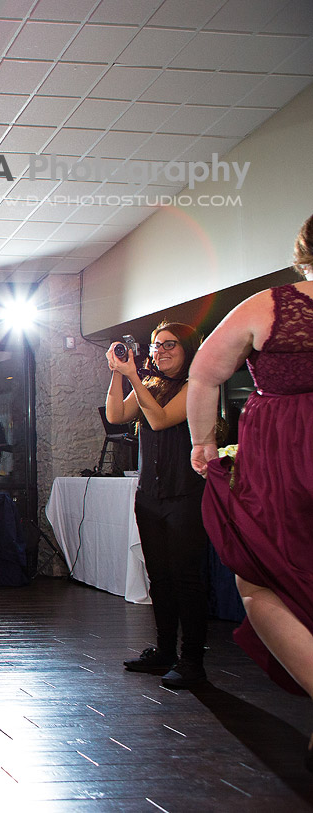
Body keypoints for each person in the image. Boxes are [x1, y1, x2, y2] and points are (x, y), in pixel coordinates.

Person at [189, 217, 313, 763]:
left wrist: (203, 443)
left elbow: (205, 373)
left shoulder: (273, 305)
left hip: (286, 456)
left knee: (261, 581)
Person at [106, 322, 211, 690]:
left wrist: (134, 376)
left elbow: (160, 418)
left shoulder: (195, 387)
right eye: (156, 345)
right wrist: (119, 374)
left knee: (187, 579)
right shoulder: (149, 383)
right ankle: (166, 652)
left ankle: (192, 661)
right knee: (160, 578)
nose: (160, 351)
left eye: (170, 345)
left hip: (185, 493)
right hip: (149, 495)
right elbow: (116, 415)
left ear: (188, 351)